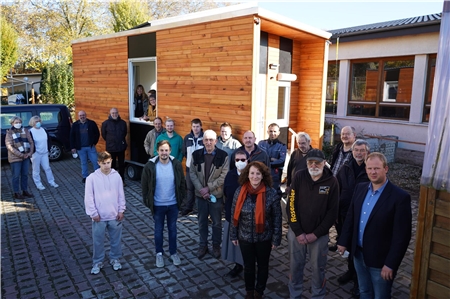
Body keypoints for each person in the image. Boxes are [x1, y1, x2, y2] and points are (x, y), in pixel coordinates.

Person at [337, 153, 412, 299]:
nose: (373, 172)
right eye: (370, 168)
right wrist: (343, 241)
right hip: (358, 254)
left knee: (380, 296)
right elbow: (351, 217)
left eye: (377, 168)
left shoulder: (400, 197)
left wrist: (391, 264)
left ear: (386, 169)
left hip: (380, 260)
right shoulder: (360, 188)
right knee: (364, 291)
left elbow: (402, 236)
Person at [286, 149, 339, 299]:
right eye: (310, 162)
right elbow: (291, 205)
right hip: (296, 233)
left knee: (318, 268)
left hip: (319, 236)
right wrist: (298, 231)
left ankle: (317, 295)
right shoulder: (299, 176)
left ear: (324, 163)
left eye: (317, 162)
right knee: (295, 266)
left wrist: (316, 234)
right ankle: (294, 294)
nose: (314, 165)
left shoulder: (332, 181)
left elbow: (332, 212)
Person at [230, 161, 282, 299]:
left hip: (264, 238)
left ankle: (259, 292)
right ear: (247, 175)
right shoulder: (239, 191)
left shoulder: (271, 193)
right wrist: (233, 235)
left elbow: (277, 218)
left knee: (263, 266)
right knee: (248, 267)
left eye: (258, 173)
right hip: (244, 237)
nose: (254, 176)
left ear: (263, 175)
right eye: (252, 173)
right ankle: (249, 292)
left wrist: (276, 239)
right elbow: (234, 214)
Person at [141, 140, 186, 268]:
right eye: (161, 150)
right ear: (157, 151)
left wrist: (180, 200)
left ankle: (173, 253)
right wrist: (148, 201)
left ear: (170, 151)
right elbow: (144, 186)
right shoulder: (150, 166)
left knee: (172, 230)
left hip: (173, 205)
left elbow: (182, 183)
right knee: (158, 230)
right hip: (158, 205)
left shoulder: (176, 164)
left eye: (166, 150)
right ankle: (159, 254)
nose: (164, 153)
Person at [335, 140, 370, 296]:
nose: (359, 153)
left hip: (362, 216)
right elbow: (337, 189)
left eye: (362, 150)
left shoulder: (370, 170)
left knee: (359, 249)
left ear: (367, 152)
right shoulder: (345, 167)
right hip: (344, 214)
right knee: (348, 245)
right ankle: (350, 271)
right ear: (352, 151)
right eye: (356, 150)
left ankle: (359, 281)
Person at [84, 151, 126, 275]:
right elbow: (89, 197)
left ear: (111, 161)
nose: (107, 166)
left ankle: (115, 258)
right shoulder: (91, 178)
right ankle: (97, 261)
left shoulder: (116, 176)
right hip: (99, 217)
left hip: (114, 215)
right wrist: (93, 213)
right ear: (98, 163)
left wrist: (121, 209)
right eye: (104, 163)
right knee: (98, 240)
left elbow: (121, 194)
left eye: (108, 163)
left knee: (116, 239)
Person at [189, 129, 229, 259]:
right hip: (201, 196)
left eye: (211, 140)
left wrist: (209, 188)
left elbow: (224, 176)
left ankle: (216, 245)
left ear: (216, 141)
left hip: (215, 196)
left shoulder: (223, 156)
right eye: (206, 140)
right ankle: (203, 245)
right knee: (202, 222)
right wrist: (201, 189)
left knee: (217, 223)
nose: (208, 142)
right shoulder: (196, 155)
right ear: (203, 141)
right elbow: (192, 173)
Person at [222, 150, 247, 278]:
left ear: (247, 161)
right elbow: (226, 193)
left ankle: (249, 266)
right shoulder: (230, 175)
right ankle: (238, 265)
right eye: (237, 160)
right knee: (235, 243)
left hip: (247, 218)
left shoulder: (251, 175)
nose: (240, 162)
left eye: (243, 160)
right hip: (232, 215)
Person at [5, 116, 34, 199]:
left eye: (19, 122)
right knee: (16, 175)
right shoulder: (9, 132)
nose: (18, 124)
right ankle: (16, 192)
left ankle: (24, 190)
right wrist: (21, 155)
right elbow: (9, 146)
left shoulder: (25, 130)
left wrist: (30, 153)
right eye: (16, 123)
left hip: (26, 156)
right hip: (15, 158)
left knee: (25, 174)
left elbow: (31, 142)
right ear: (12, 123)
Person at [180, 118, 204, 216]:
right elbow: (184, 152)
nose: (195, 129)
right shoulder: (187, 138)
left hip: (201, 169)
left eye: (197, 126)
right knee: (190, 188)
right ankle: (189, 207)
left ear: (201, 127)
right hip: (190, 167)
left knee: (200, 188)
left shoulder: (205, 138)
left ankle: (200, 209)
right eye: (193, 126)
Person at [29, 116, 59, 190]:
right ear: (33, 122)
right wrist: (32, 152)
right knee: (36, 170)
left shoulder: (43, 129)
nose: (38, 123)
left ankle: (51, 181)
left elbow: (48, 140)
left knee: (47, 168)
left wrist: (48, 149)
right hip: (36, 153)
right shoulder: (31, 131)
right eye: (36, 121)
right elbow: (30, 143)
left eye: (39, 121)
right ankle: (38, 184)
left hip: (44, 152)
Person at [70, 110, 100, 183]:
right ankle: (85, 177)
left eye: (83, 115)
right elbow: (71, 136)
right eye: (80, 115)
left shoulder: (91, 123)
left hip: (90, 147)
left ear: (85, 115)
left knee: (95, 162)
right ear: (78, 116)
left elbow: (97, 134)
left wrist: (94, 143)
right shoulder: (75, 125)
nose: (82, 117)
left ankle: (98, 176)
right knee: (83, 163)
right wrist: (73, 147)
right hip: (80, 148)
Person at [258, 123, 286, 194]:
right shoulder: (261, 144)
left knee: (274, 195)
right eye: (270, 131)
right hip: (261, 174)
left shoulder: (282, 146)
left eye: (275, 131)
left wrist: (265, 161)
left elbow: (281, 162)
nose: (272, 133)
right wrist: (272, 159)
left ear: (278, 133)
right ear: (267, 132)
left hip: (275, 176)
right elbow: (257, 158)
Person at [101, 108, 127, 182]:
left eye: (116, 113)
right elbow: (104, 135)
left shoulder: (123, 123)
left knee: (121, 165)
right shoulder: (105, 123)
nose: (114, 114)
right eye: (113, 113)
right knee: (112, 165)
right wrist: (111, 141)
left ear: (118, 113)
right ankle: (113, 180)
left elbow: (124, 133)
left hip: (121, 148)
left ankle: (122, 180)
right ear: (110, 114)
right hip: (111, 148)